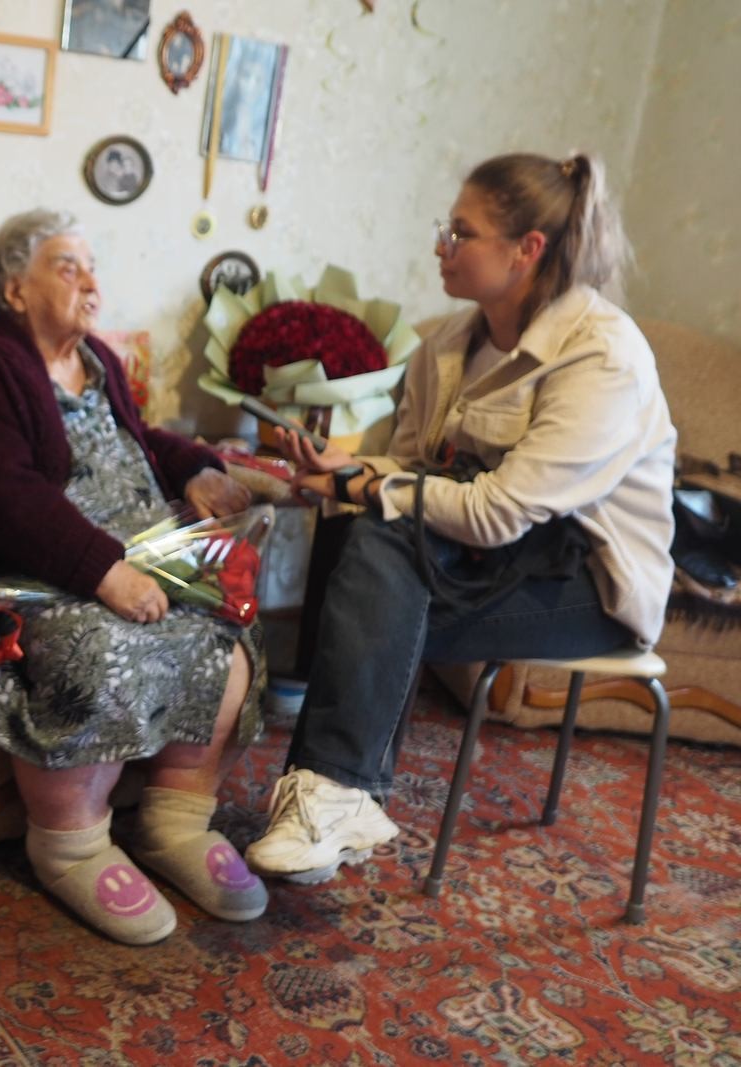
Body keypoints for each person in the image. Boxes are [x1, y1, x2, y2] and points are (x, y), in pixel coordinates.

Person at [244, 152, 676, 885]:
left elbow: (499, 511)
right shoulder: (446, 344)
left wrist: (369, 486)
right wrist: (347, 472)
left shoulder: (603, 357)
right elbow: (415, 468)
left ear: (526, 249)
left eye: (460, 233)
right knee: (359, 534)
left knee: (378, 559)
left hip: (590, 590)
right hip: (490, 561)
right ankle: (334, 795)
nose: (441, 246)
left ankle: (334, 791)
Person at [0, 209, 268, 945]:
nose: (90, 282)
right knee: (97, 647)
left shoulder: (98, 359)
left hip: (144, 554)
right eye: (67, 266)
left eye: (92, 267)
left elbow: (139, 441)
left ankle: (175, 821)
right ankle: (70, 842)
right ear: (15, 289)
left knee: (227, 628)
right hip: (52, 571)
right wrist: (104, 570)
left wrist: (196, 470)